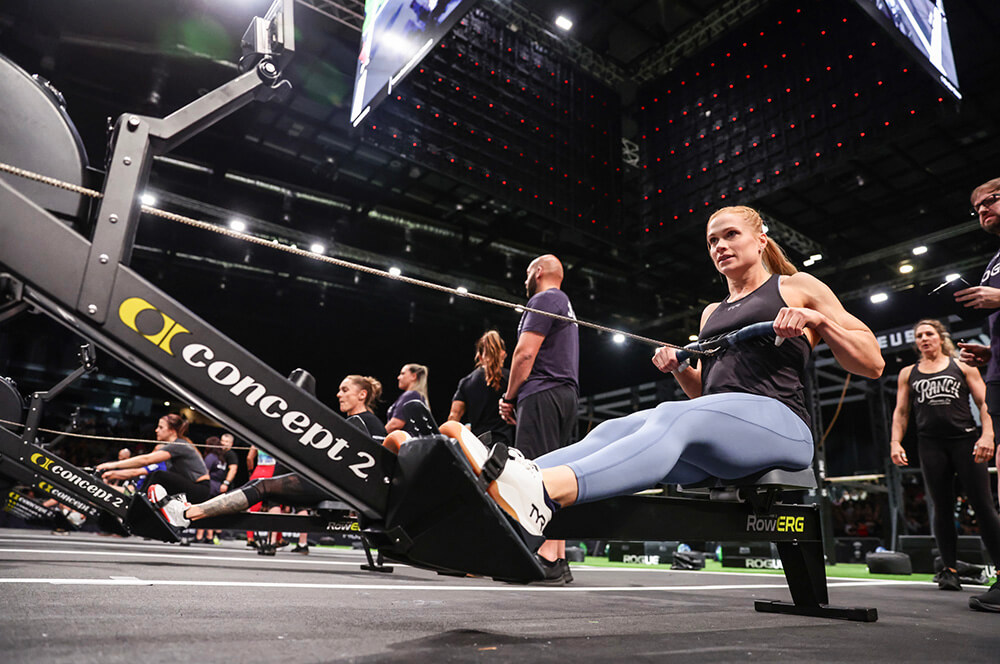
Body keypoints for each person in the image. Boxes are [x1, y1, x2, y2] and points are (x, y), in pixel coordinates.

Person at [464, 206, 882, 583]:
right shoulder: (711, 313)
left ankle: (544, 490)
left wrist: (817, 322)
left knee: (671, 414)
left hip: (783, 427)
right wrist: (682, 369)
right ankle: (495, 483)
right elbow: (710, 397)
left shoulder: (796, 287)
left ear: (760, 240)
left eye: (731, 235)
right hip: (727, 437)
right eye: (712, 241)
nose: (720, 246)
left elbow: (872, 363)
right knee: (614, 429)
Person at [889, 319, 1000, 592]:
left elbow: (984, 402)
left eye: (929, 334)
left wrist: (988, 435)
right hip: (931, 445)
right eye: (919, 336)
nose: (924, 339)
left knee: (983, 506)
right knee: (941, 507)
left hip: (965, 441)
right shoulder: (908, 373)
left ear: (940, 338)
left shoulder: (962, 366)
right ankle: (949, 570)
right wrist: (895, 442)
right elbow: (901, 412)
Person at [498, 254, 579, 577]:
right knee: (556, 474)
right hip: (566, 395)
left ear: (539, 271)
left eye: (527, 272)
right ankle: (557, 557)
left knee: (535, 473)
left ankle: (545, 557)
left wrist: (509, 397)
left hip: (543, 391)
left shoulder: (544, 299)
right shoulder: (565, 304)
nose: (525, 279)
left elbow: (525, 353)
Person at [952, 176, 1000, 612]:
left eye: (992, 200)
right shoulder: (993, 261)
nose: (983, 209)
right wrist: (989, 353)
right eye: (977, 206)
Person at [97, 414, 210, 503]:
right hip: (191, 486)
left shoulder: (178, 445)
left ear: (171, 431)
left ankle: (137, 503)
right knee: (157, 477)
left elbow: (146, 460)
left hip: (200, 489)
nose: (156, 430)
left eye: (161, 427)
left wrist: (111, 465)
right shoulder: (173, 446)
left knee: (159, 475)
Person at [448, 330, 513, 445]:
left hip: (478, 444)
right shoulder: (511, 379)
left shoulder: (466, 382)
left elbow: (454, 417)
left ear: (479, 356)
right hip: (505, 442)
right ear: (503, 354)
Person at [338, 375, 388, 440]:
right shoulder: (348, 422)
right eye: (339, 390)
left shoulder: (371, 423)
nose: (338, 394)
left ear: (362, 394)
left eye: (345, 390)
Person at [385, 364, 429, 433]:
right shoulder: (417, 396)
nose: (398, 377)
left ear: (413, 376)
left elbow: (395, 424)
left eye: (403, 374)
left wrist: (381, 435)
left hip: (405, 439)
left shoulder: (411, 395)